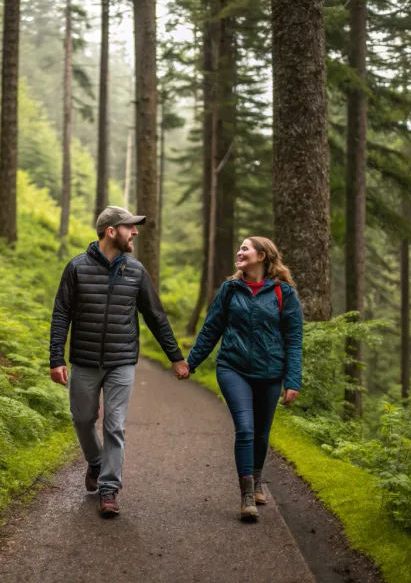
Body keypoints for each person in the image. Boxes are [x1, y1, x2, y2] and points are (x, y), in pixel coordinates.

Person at [50, 206, 189, 518]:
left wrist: (176, 358)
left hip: (122, 361)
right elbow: (61, 313)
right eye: (129, 227)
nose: (135, 233)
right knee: (83, 419)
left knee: (114, 424)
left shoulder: (136, 271)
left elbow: (155, 316)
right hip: (84, 360)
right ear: (111, 231)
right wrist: (56, 357)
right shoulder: (76, 268)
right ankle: (96, 463)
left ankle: (109, 488)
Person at [185, 237, 304, 521]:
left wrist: (293, 380)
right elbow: (211, 329)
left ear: (262, 256)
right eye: (239, 248)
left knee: (262, 433)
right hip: (233, 368)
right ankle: (247, 495)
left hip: (271, 372)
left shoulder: (284, 294)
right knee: (246, 429)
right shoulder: (229, 290)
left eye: (245, 249)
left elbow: (294, 340)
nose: (239, 252)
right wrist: (190, 363)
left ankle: (258, 477)